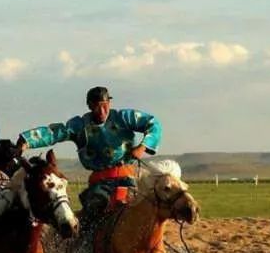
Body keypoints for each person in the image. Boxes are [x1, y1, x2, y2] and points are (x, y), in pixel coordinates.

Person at [16, 86, 161, 217]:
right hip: (100, 183)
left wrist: (142, 147)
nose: (102, 111)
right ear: (90, 106)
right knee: (93, 213)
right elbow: (54, 132)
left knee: (146, 209)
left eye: (105, 106)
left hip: (129, 177)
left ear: (109, 103)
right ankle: (85, 245)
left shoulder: (123, 118)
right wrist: (26, 141)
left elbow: (153, 123)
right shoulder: (80, 126)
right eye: (97, 107)